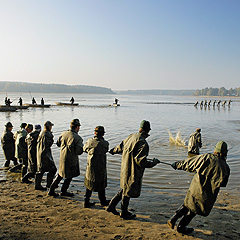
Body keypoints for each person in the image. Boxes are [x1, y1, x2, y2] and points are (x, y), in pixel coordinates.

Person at [168, 141, 230, 234]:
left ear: (215, 150)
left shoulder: (206, 157)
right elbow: (223, 184)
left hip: (195, 188)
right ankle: (181, 227)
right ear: (225, 153)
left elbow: (190, 163)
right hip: (207, 194)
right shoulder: (226, 167)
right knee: (193, 211)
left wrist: (177, 165)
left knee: (187, 204)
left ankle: (173, 218)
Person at [106, 120, 160, 219]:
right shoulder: (143, 143)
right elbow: (141, 162)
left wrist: (113, 151)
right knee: (128, 191)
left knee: (125, 188)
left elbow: (120, 147)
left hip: (124, 169)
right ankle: (124, 212)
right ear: (147, 131)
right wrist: (154, 163)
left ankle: (111, 206)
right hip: (133, 172)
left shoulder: (131, 136)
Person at [48, 119, 83, 197]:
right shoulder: (78, 138)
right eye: (79, 127)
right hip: (71, 160)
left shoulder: (63, 133)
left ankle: (51, 190)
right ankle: (63, 191)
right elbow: (78, 152)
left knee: (60, 174)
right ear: (77, 127)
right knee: (69, 176)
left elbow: (58, 143)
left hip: (62, 158)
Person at [83, 126, 109, 208]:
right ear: (102, 134)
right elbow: (105, 149)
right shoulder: (104, 143)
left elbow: (84, 149)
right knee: (101, 184)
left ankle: (86, 201)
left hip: (90, 167)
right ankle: (103, 201)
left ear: (95, 133)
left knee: (89, 184)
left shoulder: (89, 141)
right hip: (100, 167)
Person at [35, 121, 57, 190]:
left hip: (39, 153)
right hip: (45, 154)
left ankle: (38, 185)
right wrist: (52, 137)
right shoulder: (47, 134)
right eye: (51, 126)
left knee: (41, 169)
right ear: (48, 127)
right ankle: (49, 184)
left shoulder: (41, 133)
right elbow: (48, 144)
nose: (51, 127)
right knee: (53, 169)